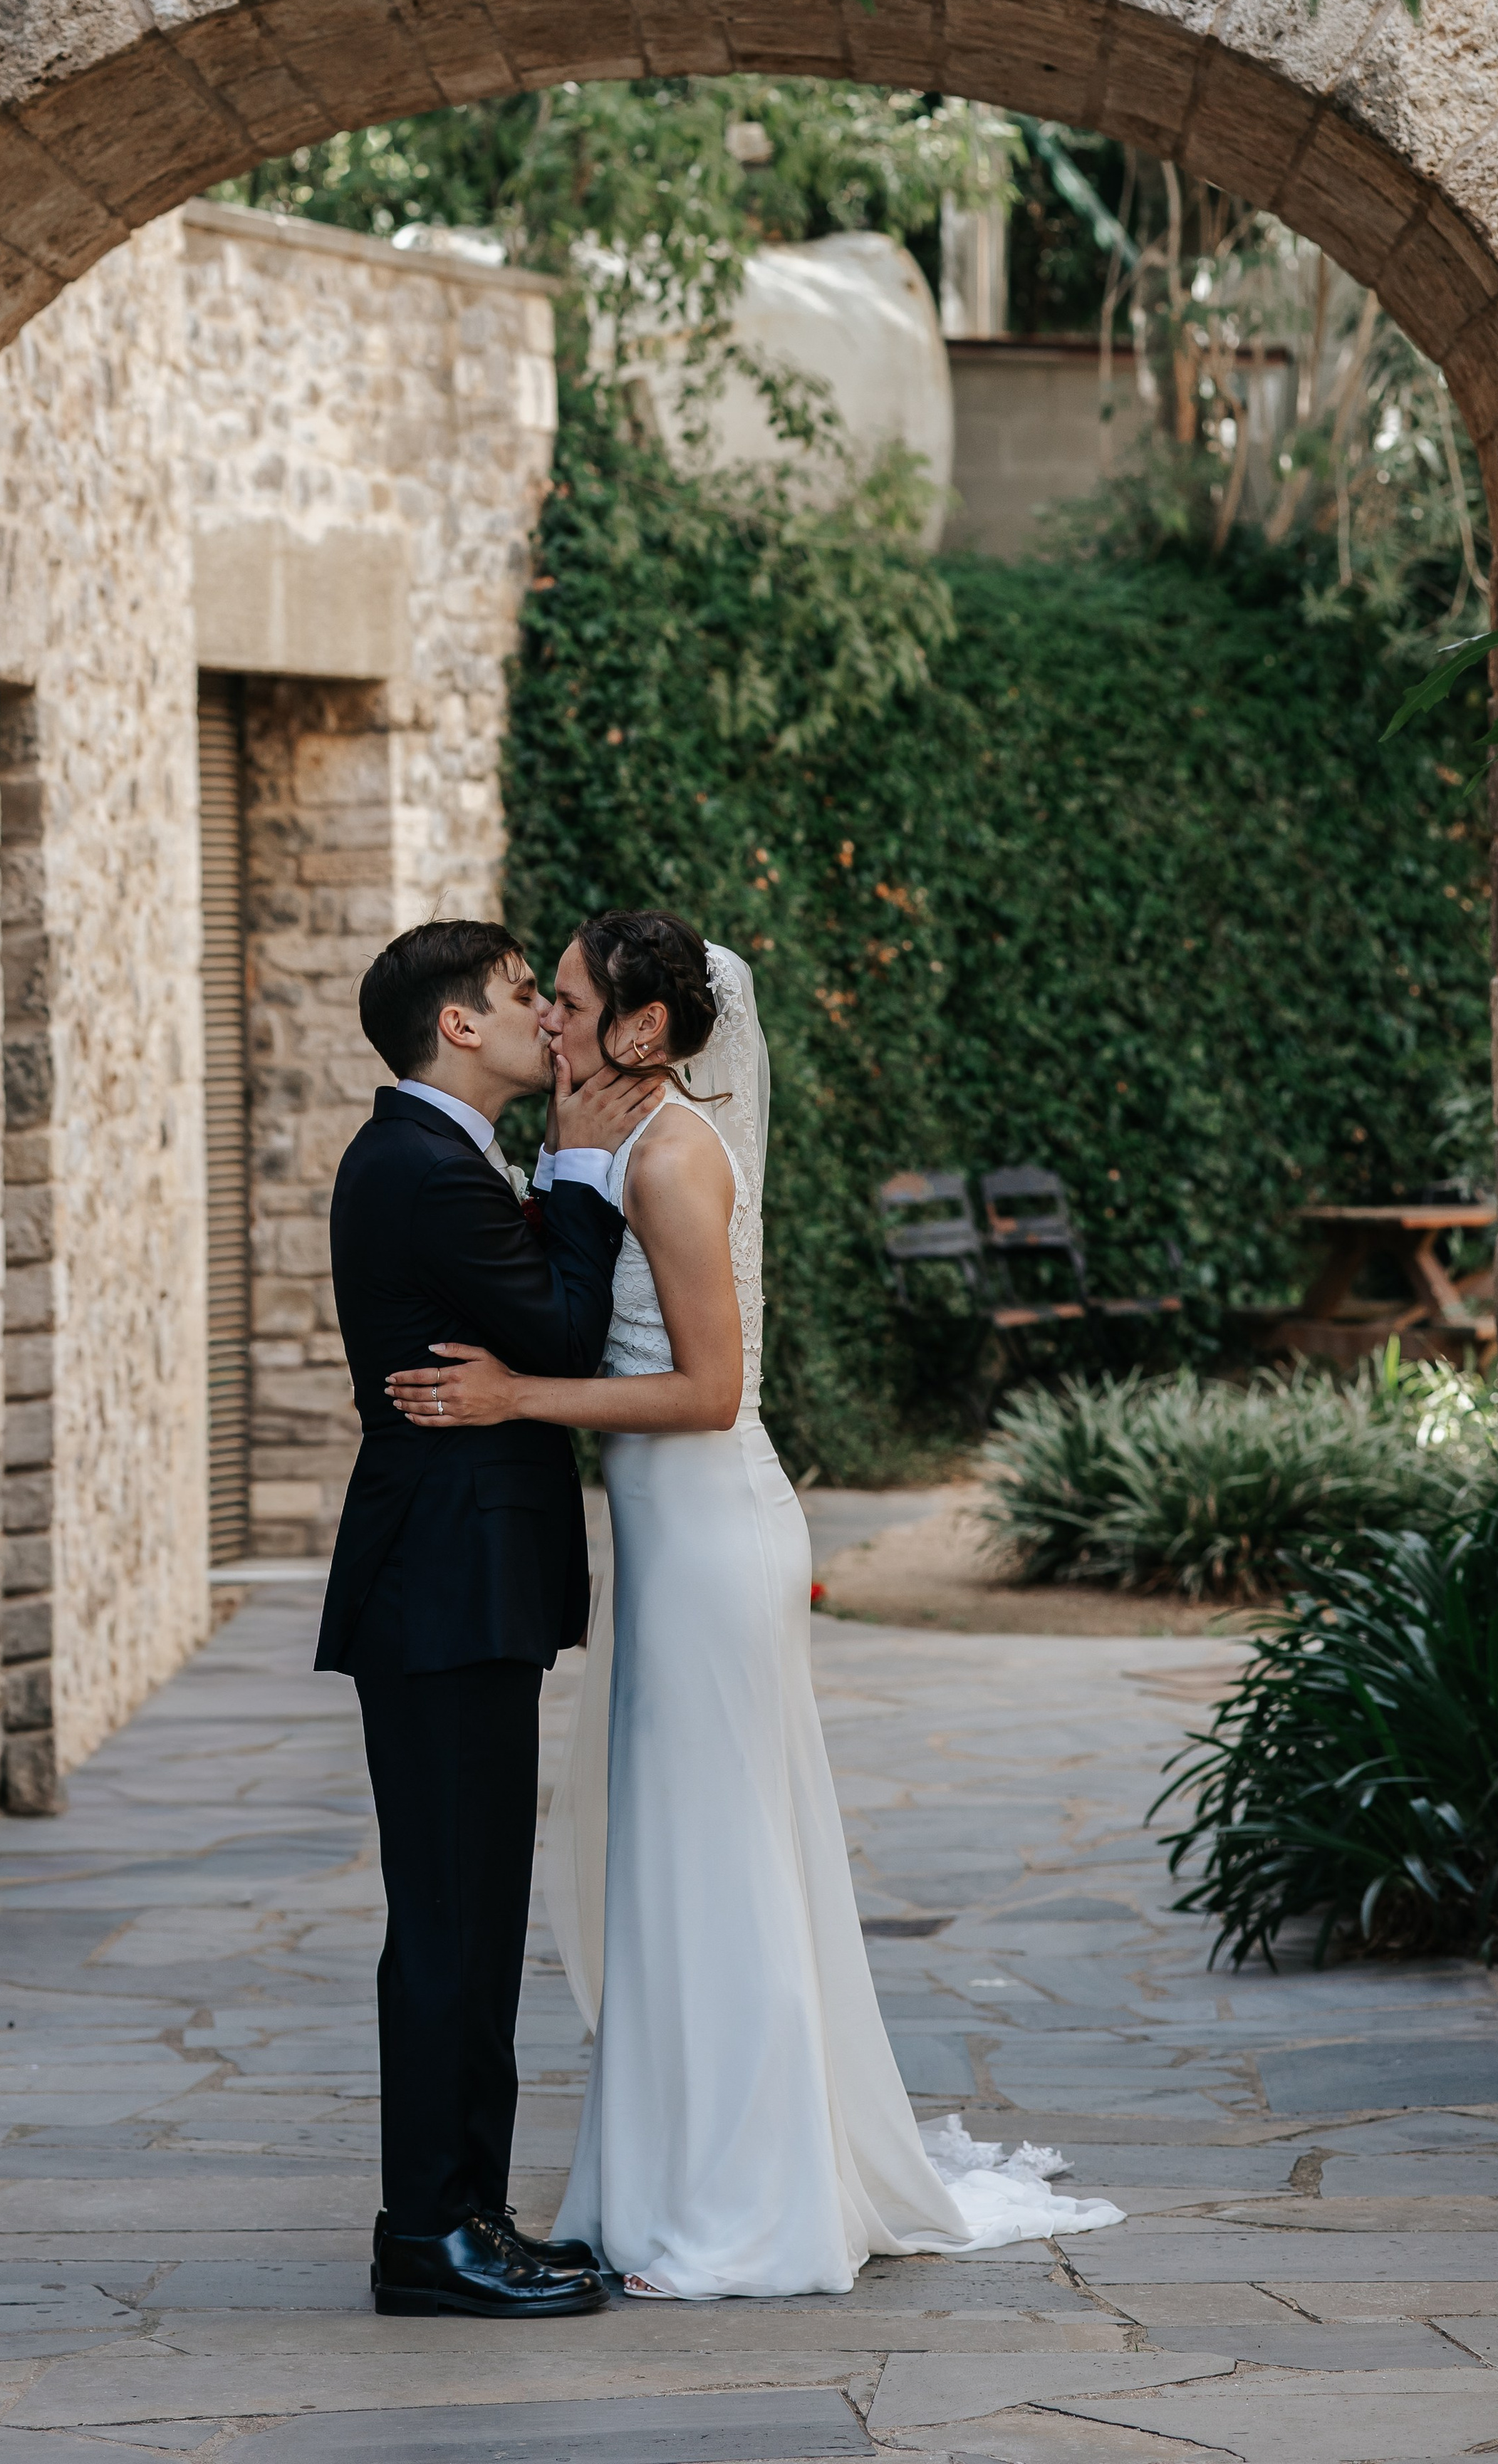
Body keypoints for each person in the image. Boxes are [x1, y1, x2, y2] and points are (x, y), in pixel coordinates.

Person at [385, 911, 1123, 2299]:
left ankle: (743, 2199)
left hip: (715, 1534)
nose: (546, 1017)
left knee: (712, 1860)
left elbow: (709, 1391)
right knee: (670, 1862)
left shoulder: (671, 1158)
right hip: (663, 1544)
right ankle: (673, 2178)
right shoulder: (599, 1143)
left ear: (642, 1028)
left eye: (567, 997)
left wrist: (513, 1397)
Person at [316, 917, 658, 2322]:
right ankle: (430, 2233)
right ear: (459, 1025)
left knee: (468, 1914)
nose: (548, 1022)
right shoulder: (414, 1166)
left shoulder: (437, 1157)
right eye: (527, 999)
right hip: (443, 1588)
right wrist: (581, 1167)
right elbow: (564, 1333)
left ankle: (465, 2213)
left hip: (459, 1583)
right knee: (454, 1921)